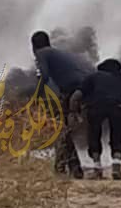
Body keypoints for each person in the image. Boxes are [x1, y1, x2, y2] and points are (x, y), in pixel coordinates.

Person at [32, 31, 92, 179]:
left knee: (61, 130)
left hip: (73, 91)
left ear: (34, 46)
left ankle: (62, 169)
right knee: (64, 130)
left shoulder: (42, 53)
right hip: (82, 89)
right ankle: (74, 169)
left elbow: (44, 76)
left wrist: (36, 96)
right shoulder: (56, 53)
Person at [73, 58, 121, 180]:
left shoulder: (93, 77)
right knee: (117, 136)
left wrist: (75, 112)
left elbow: (76, 95)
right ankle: (116, 166)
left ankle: (97, 168)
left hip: (97, 106)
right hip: (120, 107)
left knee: (93, 134)